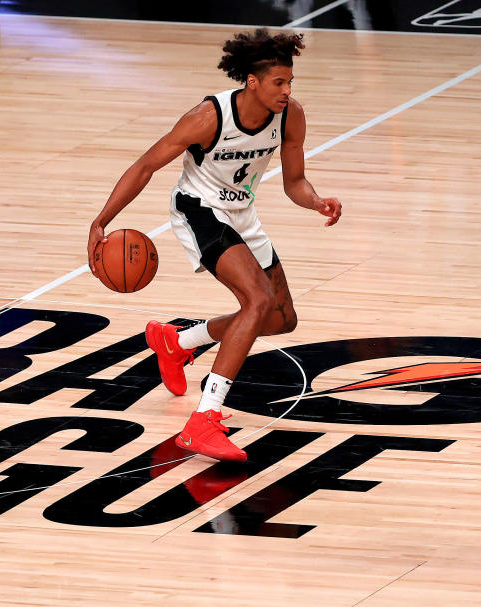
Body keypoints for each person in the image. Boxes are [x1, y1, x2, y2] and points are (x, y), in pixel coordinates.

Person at [86, 29, 342, 463]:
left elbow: (294, 182)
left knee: (281, 319)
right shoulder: (208, 117)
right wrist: (101, 221)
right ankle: (203, 420)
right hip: (199, 209)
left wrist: (316, 201)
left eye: (291, 82)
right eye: (279, 82)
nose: (287, 90)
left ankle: (178, 342)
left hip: (242, 212)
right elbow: (146, 165)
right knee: (257, 301)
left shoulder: (290, 116)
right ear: (252, 81)